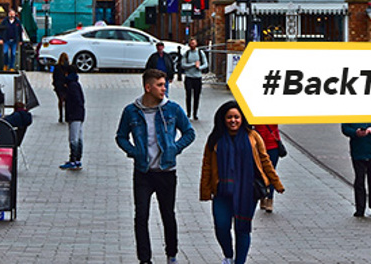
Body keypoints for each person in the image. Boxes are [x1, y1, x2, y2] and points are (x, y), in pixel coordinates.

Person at [115, 69, 195, 264]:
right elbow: (121, 137)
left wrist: (174, 148)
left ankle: (172, 255)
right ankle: (144, 259)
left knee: (168, 214)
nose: (164, 88)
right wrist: (134, 152)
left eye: (165, 84)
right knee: (141, 216)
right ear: (147, 87)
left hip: (166, 172)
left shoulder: (172, 109)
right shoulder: (131, 111)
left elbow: (189, 133)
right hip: (143, 172)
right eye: (159, 85)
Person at [200, 101, 284, 264]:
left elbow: (265, 161)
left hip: (247, 191)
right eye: (229, 117)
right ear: (223, 119)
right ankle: (228, 255)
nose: (233, 120)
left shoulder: (253, 137)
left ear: (242, 119)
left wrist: (277, 183)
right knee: (221, 226)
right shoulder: (215, 139)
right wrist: (205, 191)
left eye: (237, 117)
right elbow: (207, 166)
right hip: (222, 192)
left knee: (242, 229)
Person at [340, 122, 371, 217]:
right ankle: (360, 208)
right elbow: (345, 128)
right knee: (359, 181)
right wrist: (356, 132)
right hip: (358, 152)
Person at [59, 64, 85, 170]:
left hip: (74, 114)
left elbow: (75, 100)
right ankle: (78, 159)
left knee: (73, 138)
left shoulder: (71, 85)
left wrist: (70, 112)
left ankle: (73, 159)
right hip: (80, 113)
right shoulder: (76, 84)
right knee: (79, 137)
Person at [253, 123, 283, 213]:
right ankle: (263, 196)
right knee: (260, 173)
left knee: (271, 172)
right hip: (258, 146)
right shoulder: (255, 114)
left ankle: (270, 199)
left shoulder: (272, 113)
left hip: (273, 146)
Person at [179, 38, 208, 120]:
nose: (192, 45)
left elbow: (205, 64)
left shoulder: (200, 53)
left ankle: (195, 113)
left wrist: (200, 67)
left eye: (194, 43)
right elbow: (183, 65)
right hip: (189, 77)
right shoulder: (187, 53)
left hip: (197, 77)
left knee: (196, 96)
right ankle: (188, 113)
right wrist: (193, 64)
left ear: (196, 44)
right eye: (191, 43)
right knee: (188, 95)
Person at [52, 52, 70, 123]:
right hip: (66, 85)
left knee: (60, 100)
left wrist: (54, 84)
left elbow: (54, 76)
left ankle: (60, 116)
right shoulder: (68, 66)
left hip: (58, 86)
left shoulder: (57, 66)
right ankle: (66, 116)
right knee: (67, 101)